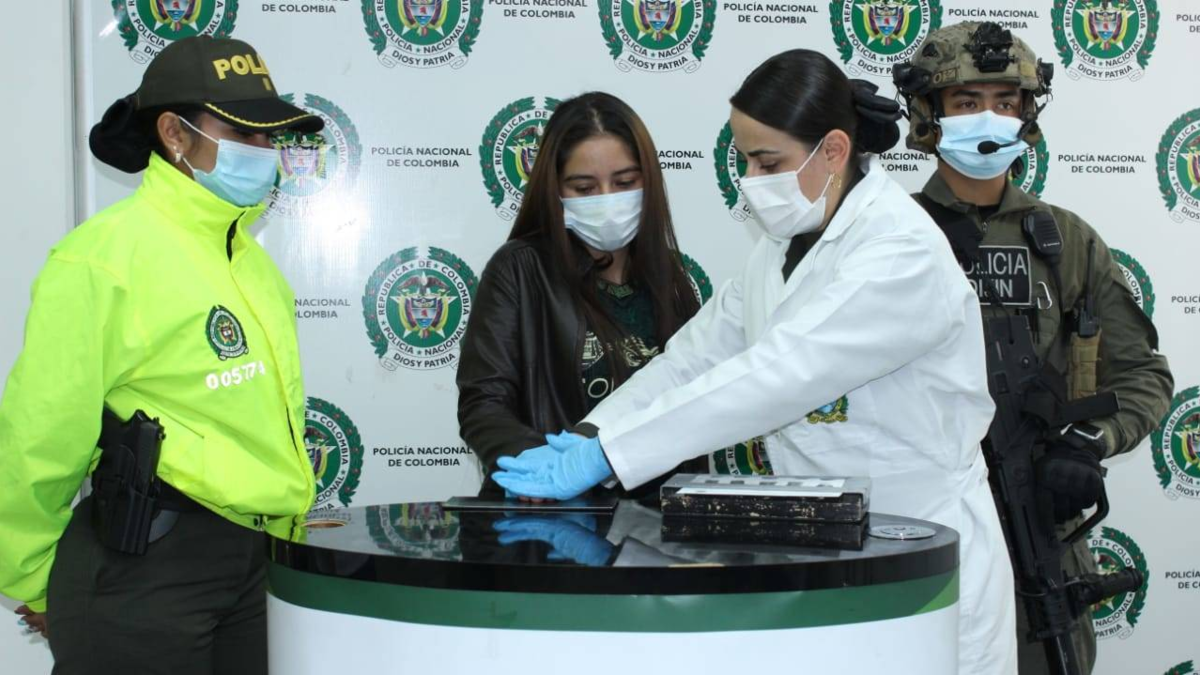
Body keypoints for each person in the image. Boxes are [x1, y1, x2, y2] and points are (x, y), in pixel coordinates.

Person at [492, 49, 1018, 675]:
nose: (751, 178)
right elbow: (692, 360)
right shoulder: (779, 248)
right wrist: (591, 433)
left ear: (833, 151)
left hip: (920, 547)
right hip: (825, 544)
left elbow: (775, 375)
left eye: (768, 162)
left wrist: (610, 456)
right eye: (745, 160)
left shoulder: (901, 250)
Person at [0, 36, 321, 674]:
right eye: (243, 133)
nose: (264, 152)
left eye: (269, 137)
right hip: (144, 567)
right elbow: (41, 435)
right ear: (174, 134)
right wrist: (36, 578)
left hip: (254, 562)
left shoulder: (250, 263)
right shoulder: (102, 258)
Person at [893, 21, 1173, 674]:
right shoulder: (889, 234)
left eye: (1005, 101)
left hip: (1039, 532)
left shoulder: (1065, 242)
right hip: (921, 533)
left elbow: (1142, 375)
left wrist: (1088, 443)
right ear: (929, 115)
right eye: (967, 102)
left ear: (1027, 114)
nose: (988, 118)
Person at [456, 92, 705, 499]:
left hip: (654, 517)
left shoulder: (671, 277)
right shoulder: (521, 269)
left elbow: (691, 400)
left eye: (625, 183)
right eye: (584, 187)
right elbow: (483, 403)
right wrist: (546, 467)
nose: (607, 200)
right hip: (558, 513)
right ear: (555, 189)